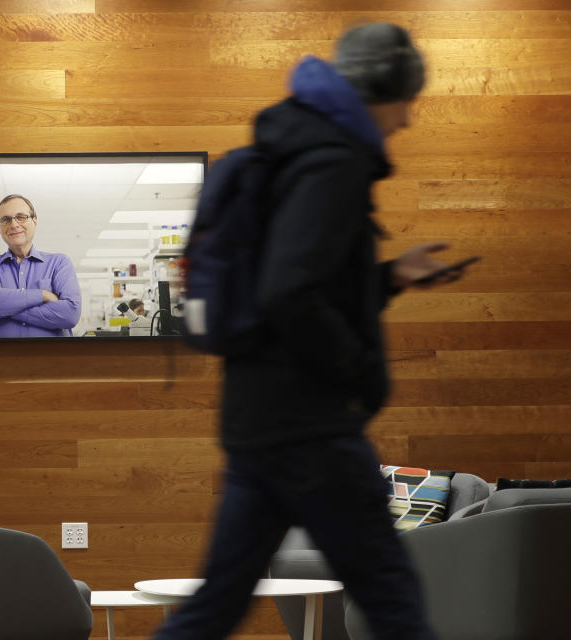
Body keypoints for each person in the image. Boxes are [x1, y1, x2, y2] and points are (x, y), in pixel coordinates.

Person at [153, 23, 469, 640]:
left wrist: (390, 276)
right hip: (311, 428)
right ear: (383, 91)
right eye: (408, 101)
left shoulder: (294, 147)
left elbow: (298, 281)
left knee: (215, 606)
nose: (407, 120)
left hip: (257, 420)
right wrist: (356, 371)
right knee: (391, 593)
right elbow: (289, 291)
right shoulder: (334, 161)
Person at [0, 194, 81, 338]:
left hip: (51, 359)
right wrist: (43, 295)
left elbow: (70, 315)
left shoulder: (59, 263)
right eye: (6, 219)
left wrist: (4, 301)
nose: (14, 224)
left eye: (21, 217)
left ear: (34, 221)